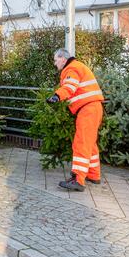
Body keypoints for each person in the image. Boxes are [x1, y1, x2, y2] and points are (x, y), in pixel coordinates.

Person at [46, 48, 104, 192]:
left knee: (81, 142)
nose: (55, 63)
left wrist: (56, 96)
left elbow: (69, 87)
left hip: (87, 109)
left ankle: (78, 180)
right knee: (90, 143)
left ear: (63, 59)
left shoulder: (71, 69)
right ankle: (93, 174)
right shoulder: (78, 66)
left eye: (55, 60)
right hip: (93, 107)